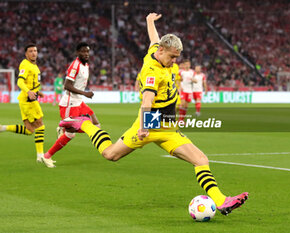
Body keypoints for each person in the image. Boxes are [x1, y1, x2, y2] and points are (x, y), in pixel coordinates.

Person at [59, 13, 248, 215]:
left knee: (201, 160)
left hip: (168, 126)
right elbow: (147, 101)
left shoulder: (156, 51)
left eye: (177, 57)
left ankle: (221, 201)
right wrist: (144, 127)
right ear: (162, 51)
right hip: (151, 123)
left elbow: (153, 39)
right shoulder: (152, 71)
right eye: (172, 57)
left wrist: (149, 21)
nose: (175, 61)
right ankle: (85, 124)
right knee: (110, 155)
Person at [41, 42, 100, 168]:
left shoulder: (86, 65)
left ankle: (64, 127)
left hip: (78, 101)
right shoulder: (75, 66)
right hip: (70, 103)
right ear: (77, 53)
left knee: (96, 123)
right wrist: (84, 93)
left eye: (87, 51)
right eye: (83, 51)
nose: (86, 54)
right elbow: (66, 86)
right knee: (70, 134)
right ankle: (47, 156)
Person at [0, 43, 51, 163]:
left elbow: (32, 83)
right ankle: (40, 156)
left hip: (26, 99)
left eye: (35, 51)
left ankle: (3, 128)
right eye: (31, 51)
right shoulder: (25, 64)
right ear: (26, 54)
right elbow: (20, 82)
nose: (33, 53)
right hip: (28, 100)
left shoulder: (35, 66)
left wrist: (38, 92)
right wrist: (28, 92)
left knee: (29, 130)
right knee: (40, 125)